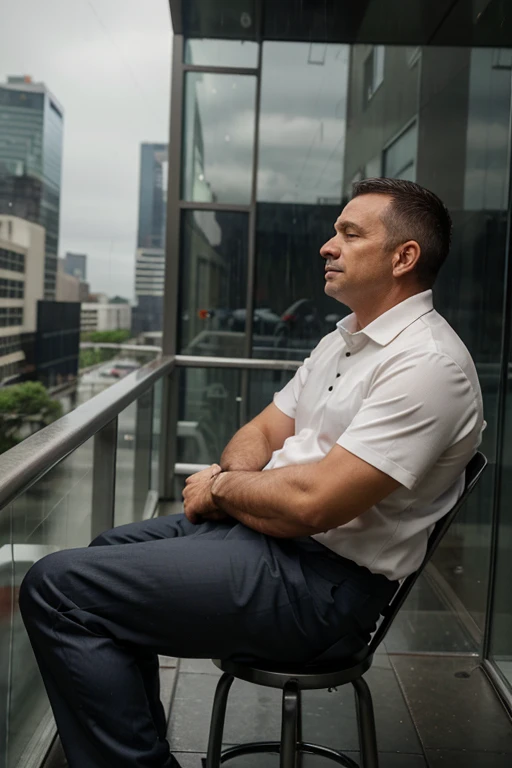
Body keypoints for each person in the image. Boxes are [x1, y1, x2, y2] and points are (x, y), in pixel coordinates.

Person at [19, 178, 484, 768]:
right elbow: (261, 432)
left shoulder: (427, 365)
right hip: (274, 543)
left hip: (324, 590)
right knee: (106, 551)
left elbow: (314, 503)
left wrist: (220, 488)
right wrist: (241, 486)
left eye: (349, 233)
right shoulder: (344, 340)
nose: (327, 245)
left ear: (404, 257)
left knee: (59, 589)